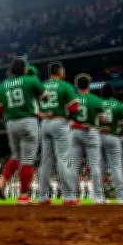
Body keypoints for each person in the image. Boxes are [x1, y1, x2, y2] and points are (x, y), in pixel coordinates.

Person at [0, 57, 47, 204]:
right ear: (24, 69)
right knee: (28, 160)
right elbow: (45, 97)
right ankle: (23, 195)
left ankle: (2, 181)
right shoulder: (31, 80)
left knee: (15, 155)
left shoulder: (2, 85)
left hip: (10, 123)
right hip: (28, 120)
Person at [37, 61, 79, 205]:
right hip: (60, 122)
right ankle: (67, 197)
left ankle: (43, 196)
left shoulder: (41, 86)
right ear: (60, 71)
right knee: (63, 159)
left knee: (46, 161)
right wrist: (69, 116)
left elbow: (35, 109)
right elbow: (74, 107)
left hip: (45, 123)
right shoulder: (65, 86)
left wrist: (43, 114)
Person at [69, 74, 106, 204]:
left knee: (74, 166)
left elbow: (69, 122)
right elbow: (103, 120)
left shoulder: (72, 99)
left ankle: (71, 197)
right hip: (92, 131)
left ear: (76, 85)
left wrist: (79, 124)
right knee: (95, 165)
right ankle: (98, 197)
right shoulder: (96, 100)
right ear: (89, 85)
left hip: (75, 132)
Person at [99, 84, 123, 203]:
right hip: (113, 136)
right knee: (116, 167)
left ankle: (99, 197)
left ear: (102, 93)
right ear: (113, 93)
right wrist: (117, 126)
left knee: (98, 167)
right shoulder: (119, 105)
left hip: (98, 137)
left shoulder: (98, 102)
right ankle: (121, 197)